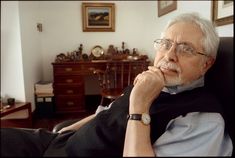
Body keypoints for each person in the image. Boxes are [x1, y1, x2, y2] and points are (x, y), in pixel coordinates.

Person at [1, 13, 233, 157]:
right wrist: (65, 131)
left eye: (186, 49)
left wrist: (139, 106)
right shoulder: (152, 80)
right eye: (165, 44)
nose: (169, 55)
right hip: (59, 143)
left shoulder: (202, 119)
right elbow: (106, 112)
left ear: (206, 64)